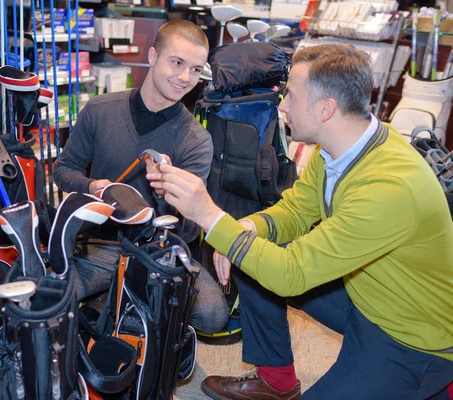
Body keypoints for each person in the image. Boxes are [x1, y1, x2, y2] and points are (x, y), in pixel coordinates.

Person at [147, 43, 453, 399]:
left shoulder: (389, 187)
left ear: (325, 109)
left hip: (410, 338)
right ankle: (276, 379)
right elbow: (296, 210)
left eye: (290, 95)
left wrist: (210, 216)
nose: (282, 105)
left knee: (258, 257)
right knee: (250, 252)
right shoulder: (344, 145)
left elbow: (291, 274)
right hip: (367, 296)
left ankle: (437, 386)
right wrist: (248, 227)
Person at [53, 19, 229, 334]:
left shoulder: (197, 140)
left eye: (195, 69)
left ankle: (114, 300)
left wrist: (164, 192)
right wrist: (92, 186)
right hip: (100, 243)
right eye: (177, 63)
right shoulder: (99, 110)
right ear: (152, 57)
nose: (185, 77)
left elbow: (187, 230)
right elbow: (63, 170)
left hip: (158, 251)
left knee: (213, 316)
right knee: (49, 294)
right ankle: (121, 300)